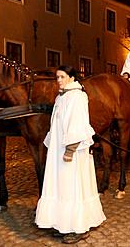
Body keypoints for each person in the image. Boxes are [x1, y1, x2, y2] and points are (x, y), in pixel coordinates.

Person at [36, 65, 105, 244]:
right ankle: (63, 224)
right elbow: (56, 123)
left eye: (62, 77)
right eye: (57, 77)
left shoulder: (77, 96)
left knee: (72, 185)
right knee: (61, 185)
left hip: (71, 151)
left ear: (72, 77)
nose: (59, 80)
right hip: (58, 148)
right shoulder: (62, 96)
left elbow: (78, 124)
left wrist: (70, 149)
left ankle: (78, 227)